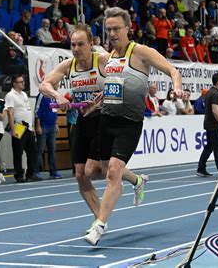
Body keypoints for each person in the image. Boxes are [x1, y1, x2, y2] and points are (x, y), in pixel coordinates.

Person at [84, 7, 184, 245]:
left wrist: (177, 87)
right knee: (93, 171)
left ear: (128, 28)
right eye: (108, 29)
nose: (112, 33)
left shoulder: (140, 52)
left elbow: (172, 69)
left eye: (116, 28)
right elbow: (114, 85)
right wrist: (98, 99)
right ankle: (138, 181)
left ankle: (99, 226)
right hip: (107, 119)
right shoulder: (108, 57)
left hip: (129, 123)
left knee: (114, 171)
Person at [39, 24, 147, 234]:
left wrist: (104, 95)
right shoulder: (68, 66)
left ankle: (133, 182)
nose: (77, 48)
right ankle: (99, 221)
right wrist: (58, 95)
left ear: (91, 44)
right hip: (82, 121)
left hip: (105, 119)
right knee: (81, 174)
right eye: (73, 44)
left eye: (81, 44)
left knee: (99, 170)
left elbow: (127, 77)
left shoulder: (104, 60)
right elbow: (45, 84)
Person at [5, 75, 39, 183]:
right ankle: (19, 175)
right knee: (18, 152)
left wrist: (32, 126)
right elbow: (10, 112)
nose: (23, 84)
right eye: (21, 82)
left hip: (28, 127)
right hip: (18, 126)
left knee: (33, 151)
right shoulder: (10, 95)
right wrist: (13, 128)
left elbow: (28, 110)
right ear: (14, 83)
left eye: (23, 82)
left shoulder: (24, 94)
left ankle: (30, 174)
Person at [34, 92, 62, 179]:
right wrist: (38, 125)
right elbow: (37, 110)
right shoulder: (41, 95)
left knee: (52, 150)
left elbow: (55, 109)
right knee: (40, 150)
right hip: (43, 126)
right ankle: (35, 171)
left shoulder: (54, 95)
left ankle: (53, 171)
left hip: (52, 126)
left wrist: (56, 123)